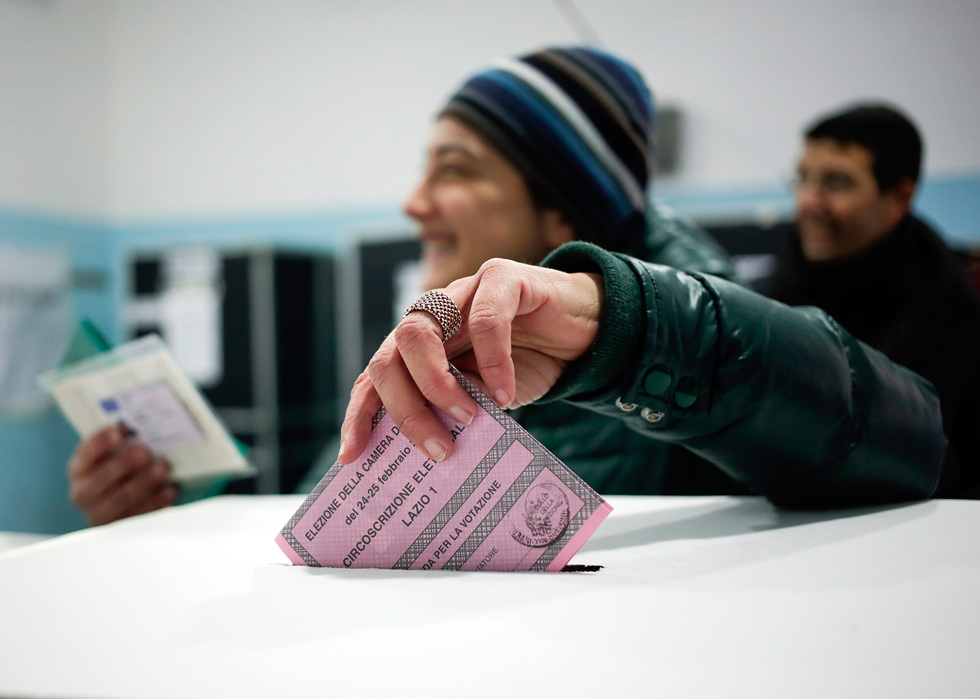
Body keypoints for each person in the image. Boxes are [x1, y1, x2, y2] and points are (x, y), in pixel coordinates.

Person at [69, 47, 946, 524]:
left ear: (563, 216)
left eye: (455, 169)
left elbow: (901, 445)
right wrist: (176, 512)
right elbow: (329, 517)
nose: (415, 203)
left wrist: (627, 333)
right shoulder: (436, 333)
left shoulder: (696, 336)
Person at [764, 104, 980, 497]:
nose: (808, 203)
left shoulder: (957, 320)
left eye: (837, 183)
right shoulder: (766, 300)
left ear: (899, 197)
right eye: (802, 179)